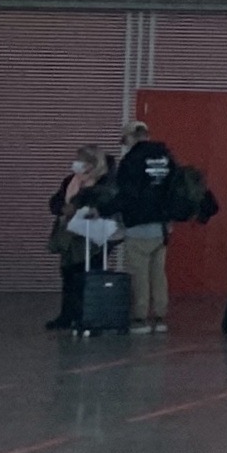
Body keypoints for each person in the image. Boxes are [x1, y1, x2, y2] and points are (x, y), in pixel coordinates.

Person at [110, 122, 178, 333]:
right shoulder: (166, 157)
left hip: (138, 224)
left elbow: (124, 194)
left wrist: (109, 213)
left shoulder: (131, 160)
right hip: (162, 227)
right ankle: (159, 317)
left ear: (131, 137)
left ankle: (140, 318)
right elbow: (174, 188)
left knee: (139, 273)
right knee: (158, 273)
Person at [42, 143, 108, 331]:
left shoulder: (102, 183)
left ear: (93, 163)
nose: (77, 164)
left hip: (91, 238)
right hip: (70, 236)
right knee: (68, 276)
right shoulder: (70, 181)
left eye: (82, 160)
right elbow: (56, 202)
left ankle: (89, 316)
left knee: (89, 277)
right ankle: (67, 315)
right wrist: (63, 207)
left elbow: (105, 204)